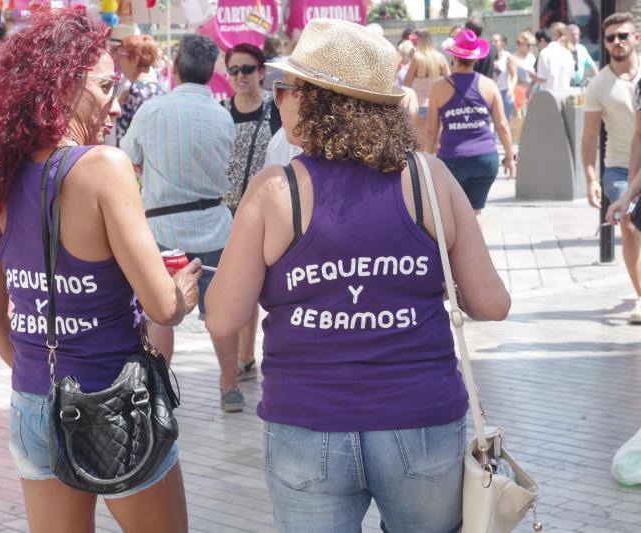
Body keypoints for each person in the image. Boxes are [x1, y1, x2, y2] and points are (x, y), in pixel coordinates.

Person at [205, 19, 510, 532]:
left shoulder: (275, 190)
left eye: (288, 87)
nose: (278, 99)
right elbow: (492, 304)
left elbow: (223, 318)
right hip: (421, 419)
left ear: (322, 101)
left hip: (307, 424)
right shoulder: (429, 177)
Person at [0, 11, 199, 533]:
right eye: (106, 87)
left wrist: (38, 376)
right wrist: (181, 291)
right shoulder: (103, 168)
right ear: (62, 85)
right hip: (115, 404)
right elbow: (161, 307)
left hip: (32, 404)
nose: (116, 105)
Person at [119, 34, 244, 413]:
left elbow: (128, 158)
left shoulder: (152, 111)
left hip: (161, 231)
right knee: (219, 313)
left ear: (174, 68)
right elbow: (233, 174)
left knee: (161, 314)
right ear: (211, 73)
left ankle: (158, 390)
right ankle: (229, 387)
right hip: (214, 225)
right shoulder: (222, 116)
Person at [220, 43, 283, 384]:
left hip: (265, 210)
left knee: (257, 284)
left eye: (247, 69)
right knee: (238, 283)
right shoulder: (221, 111)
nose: (240, 76)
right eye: (234, 70)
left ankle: (247, 355)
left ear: (261, 72)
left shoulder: (276, 109)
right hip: (226, 209)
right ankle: (242, 357)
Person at [426, 29, 515, 222]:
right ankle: (477, 251)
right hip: (485, 159)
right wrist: (509, 157)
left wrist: (427, 160)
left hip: (452, 160)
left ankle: (455, 252)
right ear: (475, 59)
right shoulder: (489, 85)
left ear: (454, 57)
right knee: (475, 213)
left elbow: (432, 130)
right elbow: (502, 125)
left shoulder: (438, 87)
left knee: (452, 215)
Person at [592, 13, 641, 324]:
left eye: (623, 35)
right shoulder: (599, 84)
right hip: (619, 170)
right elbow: (588, 137)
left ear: (635, 37)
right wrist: (589, 178)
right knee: (631, 225)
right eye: (611, 38)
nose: (617, 42)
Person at [404, 29, 450, 149]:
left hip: (420, 104)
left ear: (419, 40)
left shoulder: (417, 58)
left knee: (421, 140)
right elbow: (450, 81)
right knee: (436, 140)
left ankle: (424, 166)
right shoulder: (440, 58)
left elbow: (406, 82)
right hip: (439, 103)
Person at [114, 35, 165, 142]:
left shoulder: (135, 92)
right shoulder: (157, 89)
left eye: (122, 53)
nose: (118, 59)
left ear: (135, 59)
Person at [534, 22, 575, 99]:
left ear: (542, 40)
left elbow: (543, 78)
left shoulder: (544, 53)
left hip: (549, 96)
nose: (538, 47)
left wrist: (533, 76)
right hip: (565, 96)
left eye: (537, 44)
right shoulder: (567, 52)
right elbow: (572, 76)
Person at [491, 34, 517, 119]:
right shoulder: (489, 57)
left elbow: (514, 75)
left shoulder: (508, 57)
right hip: (492, 92)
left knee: (504, 120)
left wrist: (511, 89)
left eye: (495, 41)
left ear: (502, 43)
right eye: (492, 41)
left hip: (504, 92)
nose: (493, 43)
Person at [568, 23, 598, 87]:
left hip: (578, 85)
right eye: (573, 34)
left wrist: (599, 80)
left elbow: (592, 65)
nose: (575, 37)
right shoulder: (563, 50)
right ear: (567, 35)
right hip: (566, 85)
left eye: (577, 34)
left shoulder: (582, 49)